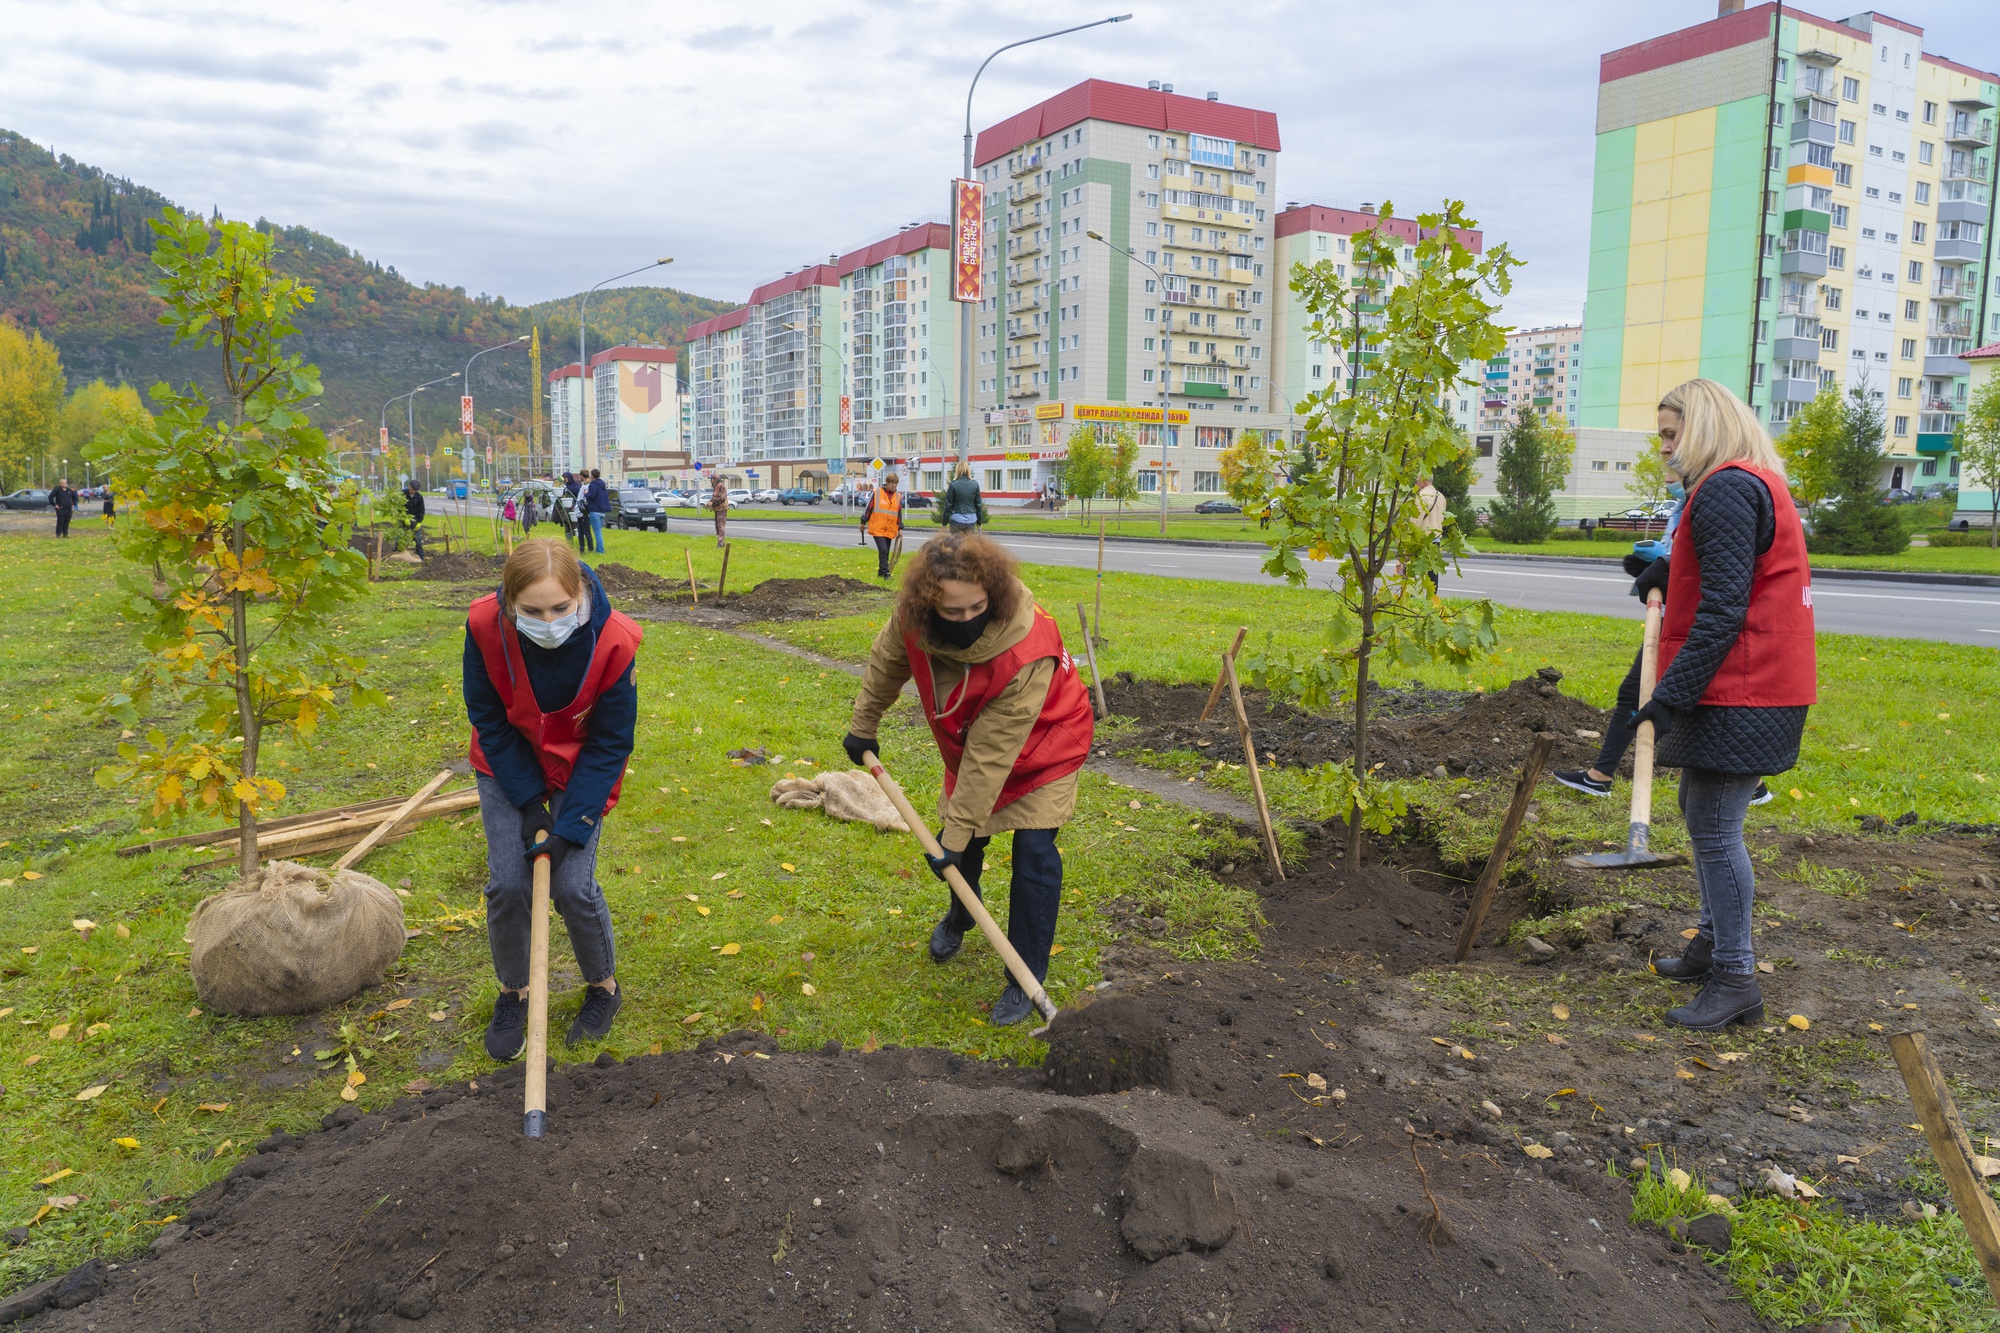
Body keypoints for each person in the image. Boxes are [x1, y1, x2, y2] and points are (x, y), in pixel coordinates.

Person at [841, 533, 1094, 1026]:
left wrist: (952, 838)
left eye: (976, 609)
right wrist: (862, 725)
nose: (966, 620)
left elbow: (992, 757)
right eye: (952, 613)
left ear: (992, 597)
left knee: (1033, 856)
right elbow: (887, 663)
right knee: (966, 849)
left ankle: (1025, 979)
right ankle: (961, 916)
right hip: (973, 745)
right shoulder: (912, 619)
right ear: (928, 603)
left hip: (1047, 744)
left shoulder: (1025, 649)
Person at [1639, 379, 1815, 1032]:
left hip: (1745, 686)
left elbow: (1723, 608)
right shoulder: (1748, 483)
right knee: (1700, 807)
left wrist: (1668, 697)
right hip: (1756, 683)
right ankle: (1712, 944)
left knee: (1714, 825)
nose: (1663, 447)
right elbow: (1726, 575)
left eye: (1669, 433)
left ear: (1705, 426)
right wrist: (1666, 569)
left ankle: (1737, 977)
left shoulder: (1724, 490)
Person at [463, 537, 642, 1058]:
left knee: (571, 887)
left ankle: (603, 988)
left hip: (578, 768)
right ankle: (513, 993)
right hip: (505, 764)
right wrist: (527, 803)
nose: (548, 620)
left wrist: (570, 825)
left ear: (580, 591)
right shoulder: (483, 625)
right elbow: (489, 719)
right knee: (508, 886)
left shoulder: (616, 640)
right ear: (508, 600)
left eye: (561, 608)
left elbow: (610, 744)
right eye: (532, 611)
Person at [1553, 441, 1774, 807]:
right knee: (1635, 692)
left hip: (1695, 621)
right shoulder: (1683, 503)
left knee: (1656, 695)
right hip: (1678, 616)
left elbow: (1713, 569)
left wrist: (1667, 564)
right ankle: (1602, 774)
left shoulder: (1717, 495)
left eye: (1672, 462)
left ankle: (1602, 776)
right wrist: (1653, 565)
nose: (1665, 460)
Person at [860, 470, 903, 579]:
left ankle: (881, 573)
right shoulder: (876, 492)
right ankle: (886, 573)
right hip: (878, 527)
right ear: (887, 483)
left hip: (890, 528)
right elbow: (868, 508)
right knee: (883, 550)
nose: (894, 485)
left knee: (886, 551)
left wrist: (900, 528)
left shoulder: (898, 496)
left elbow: (899, 513)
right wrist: (863, 522)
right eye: (892, 483)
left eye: (895, 483)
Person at [939, 461, 987, 533]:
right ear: (968, 470)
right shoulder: (975, 484)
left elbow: (948, 506)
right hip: (971, 520)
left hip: (957, 519)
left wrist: (944, 524)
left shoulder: (953, 485)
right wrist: (979, 523)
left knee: (956, 543)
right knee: (969, 543)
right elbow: (978, 506)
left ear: (957, 471)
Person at [584, 468, 610, 554]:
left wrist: (586, 493)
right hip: (602, 511)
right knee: (599, 532)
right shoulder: (602, 484)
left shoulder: (593, 485)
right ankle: (599, 548)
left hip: (595, 511)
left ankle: (600, 550)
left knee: (597, 532)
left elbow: (592, 496)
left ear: (592, 476)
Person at [401, 479, 427, 560]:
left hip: (415, 520)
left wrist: (419, 522)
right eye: (412, 489)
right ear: (409, 486)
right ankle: (400, 555)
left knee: (418, 540)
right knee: (400, 539)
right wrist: (404, 517)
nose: (414, 491)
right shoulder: (403, 495)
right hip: (404, 520)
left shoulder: (419, 497)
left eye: (415, 490)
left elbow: (421, 511)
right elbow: (399, 507)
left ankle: (421, 557)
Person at [710, 474, 728, 548]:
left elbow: (722, 498)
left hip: (721, 509)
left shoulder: (721, 486)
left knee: (721, 527)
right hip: (717, 509)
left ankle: (721, 543)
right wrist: (710, 503)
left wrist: (712, 502)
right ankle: (720, 542)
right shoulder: (716, 487)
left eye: (711, 479)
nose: (710, 481)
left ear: (715, 479)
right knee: (717, 526)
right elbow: (714, 497)